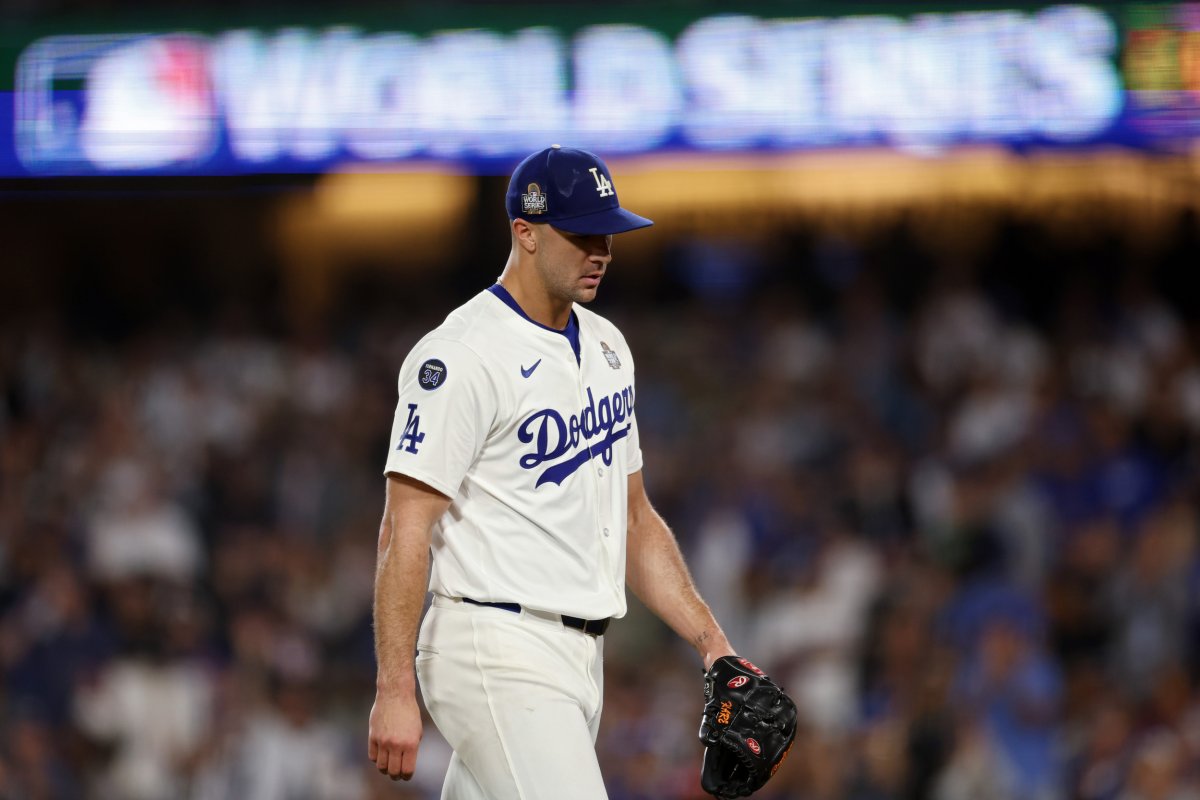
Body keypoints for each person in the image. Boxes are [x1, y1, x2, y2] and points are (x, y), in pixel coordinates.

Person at [367, 145, 737, 800]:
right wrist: (394, 689)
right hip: (493, 644)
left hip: (580, 657)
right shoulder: (461, 356)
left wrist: (713, 642)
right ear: (525, 233)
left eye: (607, 233)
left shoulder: (607, 346)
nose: (600, 250)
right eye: (580, 233)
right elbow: (404, 529)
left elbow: (633, 521)